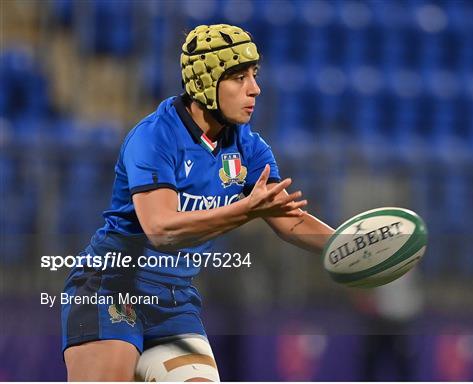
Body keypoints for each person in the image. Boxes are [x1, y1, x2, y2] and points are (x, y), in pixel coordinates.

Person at [62, 23, 335, 381]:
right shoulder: (155, 136)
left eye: (254, 74)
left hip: (175, 302)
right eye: (238, 77)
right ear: (205, 82)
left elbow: (290, 221)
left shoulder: (249, 146)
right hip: (111, 287)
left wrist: (350, 247)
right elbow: (161, 229)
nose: (255, 88)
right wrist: (245, 210)